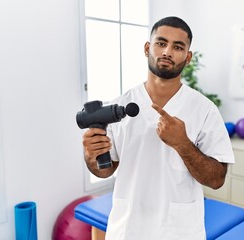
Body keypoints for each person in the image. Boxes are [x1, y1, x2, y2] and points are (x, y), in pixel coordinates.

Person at [82, 16, 235, 240]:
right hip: (127, 229)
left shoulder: (205, 110)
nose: (167, 52)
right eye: (161, 43)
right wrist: (90, 155)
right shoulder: (119, 105)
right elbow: (104, 170)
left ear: (188, 57)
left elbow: (216, 180)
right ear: (147, 48)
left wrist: (182, 143)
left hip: (178, 231)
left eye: (178, 46)